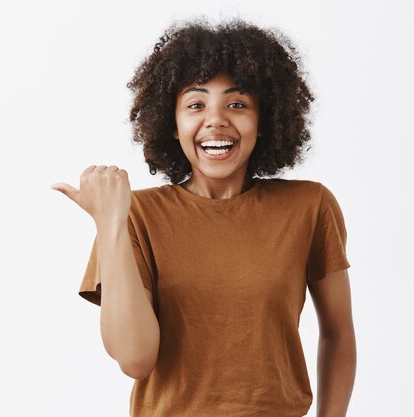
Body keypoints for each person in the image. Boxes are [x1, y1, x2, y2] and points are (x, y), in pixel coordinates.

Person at [51, 17, 356, 417]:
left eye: (237, 104)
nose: (216, 120)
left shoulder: (309, 206)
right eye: (196, 104)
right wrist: (109, 224)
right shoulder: (134, 215)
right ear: (172, 125)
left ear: (263, 121)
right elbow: (135, 359)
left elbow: (337, 332)